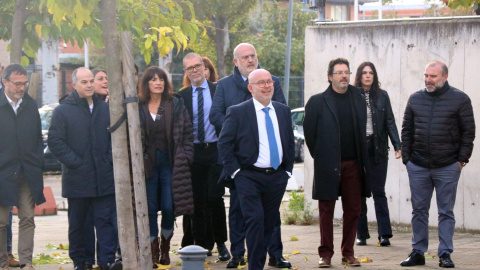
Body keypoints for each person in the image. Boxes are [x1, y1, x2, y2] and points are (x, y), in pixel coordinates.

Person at [210, 43, 290, 269]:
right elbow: (215, 115)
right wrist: (238, 127)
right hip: (240, 164)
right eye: (245, 57)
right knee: (239, 212)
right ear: (236, 61)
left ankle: (275, 254)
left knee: (270, 216)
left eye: (253, 55)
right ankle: (238, 254)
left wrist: (287, 168)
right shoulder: (225, 85)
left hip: (272, 168)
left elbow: (281, 110)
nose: (250, 59)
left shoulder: (271, 81)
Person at [400, 60, 475, 268]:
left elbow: (468, 133)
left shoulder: (460, 99)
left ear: (445, 77)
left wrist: (461, 161)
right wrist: (408, 159)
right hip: (418, 165)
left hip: (448, 166)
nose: (428, 80)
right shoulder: (415, 99)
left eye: (433, 76)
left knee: (446, 212)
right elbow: (406, 130)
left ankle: (445, 254)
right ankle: (418, 252)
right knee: (419, 211)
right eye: (426, 75)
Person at [48, 67, 122, 270]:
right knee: (80, 224)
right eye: (84, 82)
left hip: (103, 177)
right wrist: (76, 163)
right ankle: (82, 262)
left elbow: (114, 139)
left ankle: (107, 260)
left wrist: (107, 160)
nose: (89, 85)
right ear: (74, 85)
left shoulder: (106, 109)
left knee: (105, 222)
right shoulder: (63, 111)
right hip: (77, 179)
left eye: (91, 81)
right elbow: (56, 141)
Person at [303, 58, 369, 268]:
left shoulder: (358, 97)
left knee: (353, 210)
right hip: (328, 164)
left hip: (353, 164)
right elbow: (310, 136)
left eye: (347, 72)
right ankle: (326, 254)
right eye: (339, 72)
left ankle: (348, 252)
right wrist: (324, 157)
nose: (344, 76)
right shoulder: (317, 101)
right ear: (329, 76)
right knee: (326, 211)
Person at [138, 66, 194, 267]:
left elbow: (188, 132)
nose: (158, 83)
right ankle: (153, 251)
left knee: (170, 207)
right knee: (151, 208)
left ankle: (165, 248)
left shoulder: (175, 103)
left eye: (161, 79)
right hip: (148, 165)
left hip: (172, 163)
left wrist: (186, 156)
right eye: (153, 79)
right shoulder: (138, 106)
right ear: (147, 83)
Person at [178, 53, 230, 261]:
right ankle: (201, 245)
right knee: (197, 201)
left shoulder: (219, 91)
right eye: (189, 68)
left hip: (216, 150)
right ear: (186, 72)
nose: (195, 70)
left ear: (204, 66)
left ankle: (221, 243)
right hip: (193, 153)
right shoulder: (181, 97)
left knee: (214, 197)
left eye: (197, 66)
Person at [0, 64, 46, 270]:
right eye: (17, 84)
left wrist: (36, 161)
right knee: (1, 222)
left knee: (28, 218)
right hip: (3, 173)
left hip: (27, 172)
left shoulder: (30, 104)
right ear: (5, 82)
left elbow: (37, 137)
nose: (21, 88)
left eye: (24, 84)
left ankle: (26, 262)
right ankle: (2, 263)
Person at [354, 62, 402, 247]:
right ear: (359, 76)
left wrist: (397, 145)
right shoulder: (352, 95)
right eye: (364, 73)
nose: (368, 76)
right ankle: (361, 234)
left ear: (374, 76)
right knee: (359, 193)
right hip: (358, 150)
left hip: (378, 148)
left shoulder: (382, 96)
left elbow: (389, 121)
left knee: (378, 192)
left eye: (371, 73)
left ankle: (384, 234)